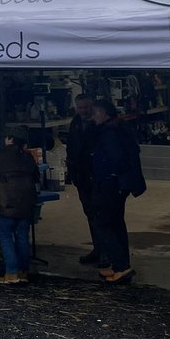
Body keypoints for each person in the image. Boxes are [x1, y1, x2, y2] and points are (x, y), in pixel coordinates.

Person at [89, 98, 146, 284]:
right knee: (116, 222)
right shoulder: (120, 128)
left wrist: (107, 178)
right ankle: (120, 264)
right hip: (121, 184)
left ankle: (121, 266)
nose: (93, 116)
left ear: (104, 113)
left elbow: (114, 158)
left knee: (104, 222)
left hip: (112, 184)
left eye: (95, 112)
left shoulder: (109, 132)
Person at [0, 126, 40, 285]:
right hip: (26, 205)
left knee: (6, 238)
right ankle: (23, 271)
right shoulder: (28, 158)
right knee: (22, 237)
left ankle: (11, 273)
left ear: (10, 139)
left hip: (8, 205)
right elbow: (36, 176)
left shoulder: (4, 156)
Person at [65, 94, 101, 266]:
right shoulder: (75, 124)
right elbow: (71, 149)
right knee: (90, 214)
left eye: (86, 107)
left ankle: (106, 252)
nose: (84, 111)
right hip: (82, 178)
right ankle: (98, 249)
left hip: (97, 177)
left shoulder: (99, 125)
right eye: (80, 108)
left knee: (101, 215)